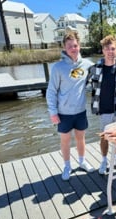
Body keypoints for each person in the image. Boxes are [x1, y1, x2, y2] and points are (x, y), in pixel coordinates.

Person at [46, 31, 94, 181]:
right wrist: (53, 112)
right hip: (63, 113)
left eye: (75, 45)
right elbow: (51, 91)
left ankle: (82, 161)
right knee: (65, 140)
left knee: (81, 138)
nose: (73, 49)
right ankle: (67, 165)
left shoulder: (87, 65)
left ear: (79, 46)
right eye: (69, 46)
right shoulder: (58, 68)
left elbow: (103, 68)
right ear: (64, 48)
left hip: (80, 111)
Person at [87, 35, 116, 175]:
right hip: (104, 110)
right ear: (103, 50)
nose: (110, 51)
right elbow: (83, 85)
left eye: (113, 49)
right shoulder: (94, 68)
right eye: (107, 49)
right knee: (104, 137)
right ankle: (104, 161)